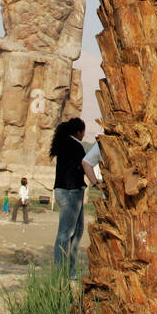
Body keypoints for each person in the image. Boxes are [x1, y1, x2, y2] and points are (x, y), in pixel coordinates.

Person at [50, 118, 89, 277]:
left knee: (77, 230)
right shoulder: (76, 146)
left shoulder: (62, 143)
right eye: (83, 132)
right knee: (67, 232)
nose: (83, 135)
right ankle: (62, 271)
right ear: (79, 132)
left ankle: (70, 269)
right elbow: (84, 165)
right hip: (71, 191)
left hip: (64, 190)